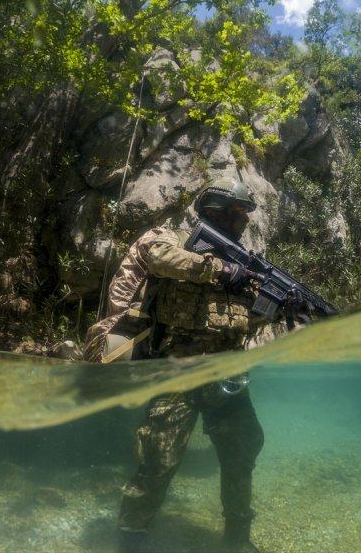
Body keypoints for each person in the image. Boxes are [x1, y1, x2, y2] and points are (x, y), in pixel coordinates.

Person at [109, 177, 267, 553]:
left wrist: (273, 306)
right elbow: (159, 258)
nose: (243, 221)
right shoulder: (176, 239)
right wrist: (219, 271)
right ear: (212, 210)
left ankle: (237, 539)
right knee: (158, 457)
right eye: (236, 213)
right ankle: (130, 540)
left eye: (245, 214)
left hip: (226, 372)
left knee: (243, 448)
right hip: (176, 368)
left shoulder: (244, 265)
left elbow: (249, 320)